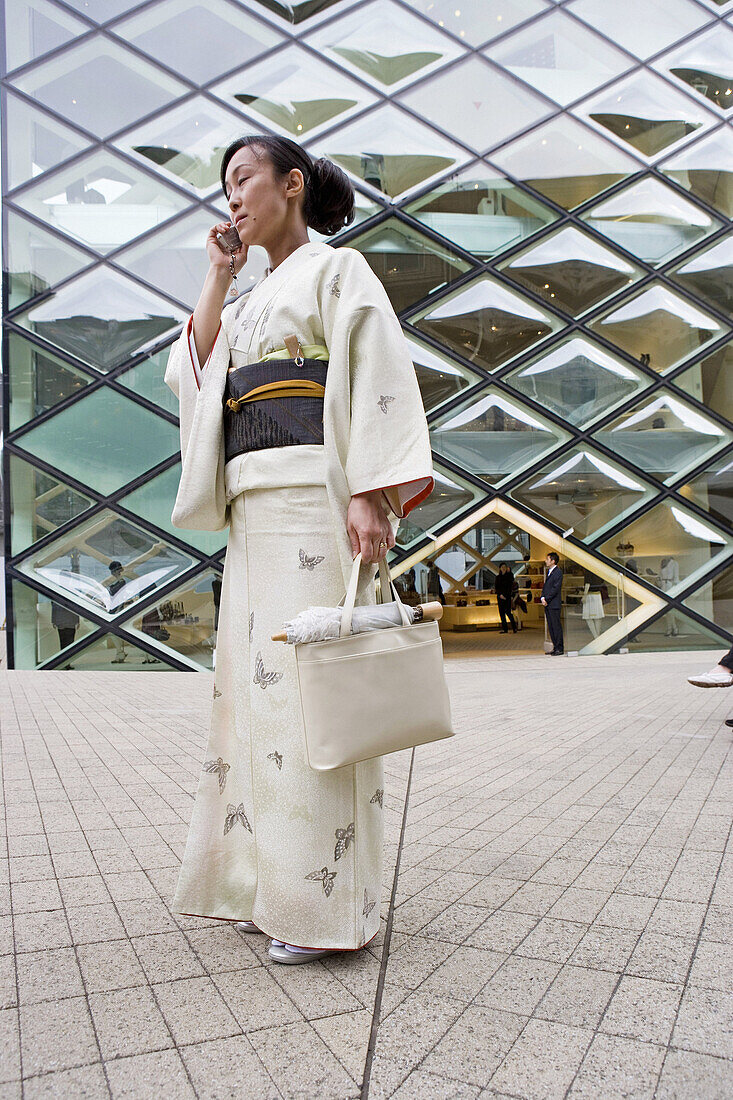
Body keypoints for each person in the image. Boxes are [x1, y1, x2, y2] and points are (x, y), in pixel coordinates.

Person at [163, 135, 433, 966]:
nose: (233, 196)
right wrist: (217, 275)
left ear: (292, 184)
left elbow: (376, 367)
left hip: (312, 503)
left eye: (244, 179)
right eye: (225, 185)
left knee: (311, 701)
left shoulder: (336, 270)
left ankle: (325, 910)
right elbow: (199, 373)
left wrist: (367, 490)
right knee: (253, 705)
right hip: (254, 516)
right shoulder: (247, 296)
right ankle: (269, 887)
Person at [540, 551, 563, 655]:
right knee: (551, 626)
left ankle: (559, 648)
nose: (546, 561)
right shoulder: (549, 571)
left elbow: (555, 588)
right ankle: (555, 646)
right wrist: (542, 598)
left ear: (553, 561)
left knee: (556, 626)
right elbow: (546, 587)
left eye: (547, 559)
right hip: (548, 603)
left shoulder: (558, 572)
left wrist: (547, 599)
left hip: (554, 604)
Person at [494, 563, 517, 633]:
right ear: (500, 568)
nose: (503, 568)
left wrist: (505, 596)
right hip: (500, 597)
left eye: (505, 567)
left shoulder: (509, 576)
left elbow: (510, 586)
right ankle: (505, 629)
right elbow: (496, 587)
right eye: (502, 567)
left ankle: (514, 627)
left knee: (508, 612)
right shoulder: (497, 577)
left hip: (507, 597)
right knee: (501, 613)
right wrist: (500, 594)